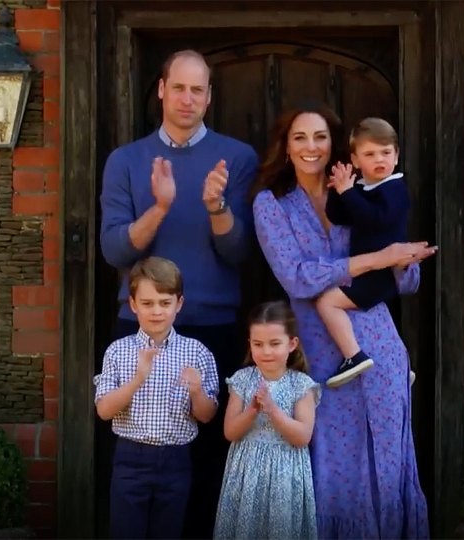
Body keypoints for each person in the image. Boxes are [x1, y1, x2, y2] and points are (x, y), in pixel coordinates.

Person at [251, 103, 435, 538]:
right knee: (332, 467)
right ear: (286, 147)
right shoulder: (271, 204)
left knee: (388, 463)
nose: (311, 147)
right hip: (322, 356)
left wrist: (403, 261)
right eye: (300, 138)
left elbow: (406, 282)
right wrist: (377, 258)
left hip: (380, 347)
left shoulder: (363, 192)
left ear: (336, 147)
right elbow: (297, 277)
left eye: (320, 137)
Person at [98, 49, 259, 537]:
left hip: (212, 326)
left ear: (210, 97)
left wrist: (215, 207)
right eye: (180, 88)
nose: (188, 99)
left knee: (209, 453)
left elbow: (240, 252)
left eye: (199, 90)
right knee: (138, 449)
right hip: (142, 324)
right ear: (162, 90)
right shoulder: (126, 160)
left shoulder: (238, 157)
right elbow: (112, 248)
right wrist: (161, 207)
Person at [93, 256, 220, 539]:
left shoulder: (196, 353)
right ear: (133, 304)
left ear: (179, 304)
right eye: (148, 303)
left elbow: (207, 415)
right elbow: (103, 410)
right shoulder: (118, 351)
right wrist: (137, 379)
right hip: (130, 458)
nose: (157, 311)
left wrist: (197, 391)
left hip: (176, 460)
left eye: (165, 303)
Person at [317, 117, 416, 388]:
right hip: (367, 271)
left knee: (327, 302)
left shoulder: (395, 189)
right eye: (370, 154)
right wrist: (339, 191)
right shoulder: (363, 189)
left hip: (381, 274)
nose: (379, 159)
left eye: (386, 152)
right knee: (375, 317)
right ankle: (397, 363)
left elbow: (375, 220)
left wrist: (349, 193)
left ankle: (353, 356)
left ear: (396, 156)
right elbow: (338, 217)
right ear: (356, 160)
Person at [214, 301, 320, 540]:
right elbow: (230, 432)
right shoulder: (242, 380)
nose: (266, 352)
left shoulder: (301, 384)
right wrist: (252, 410)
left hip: (285, 473)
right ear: (249, 344)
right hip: (246, 471)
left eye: (275, 344)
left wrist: (272, 409)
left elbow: (302, 437)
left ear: (292, 344)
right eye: (258, 344)